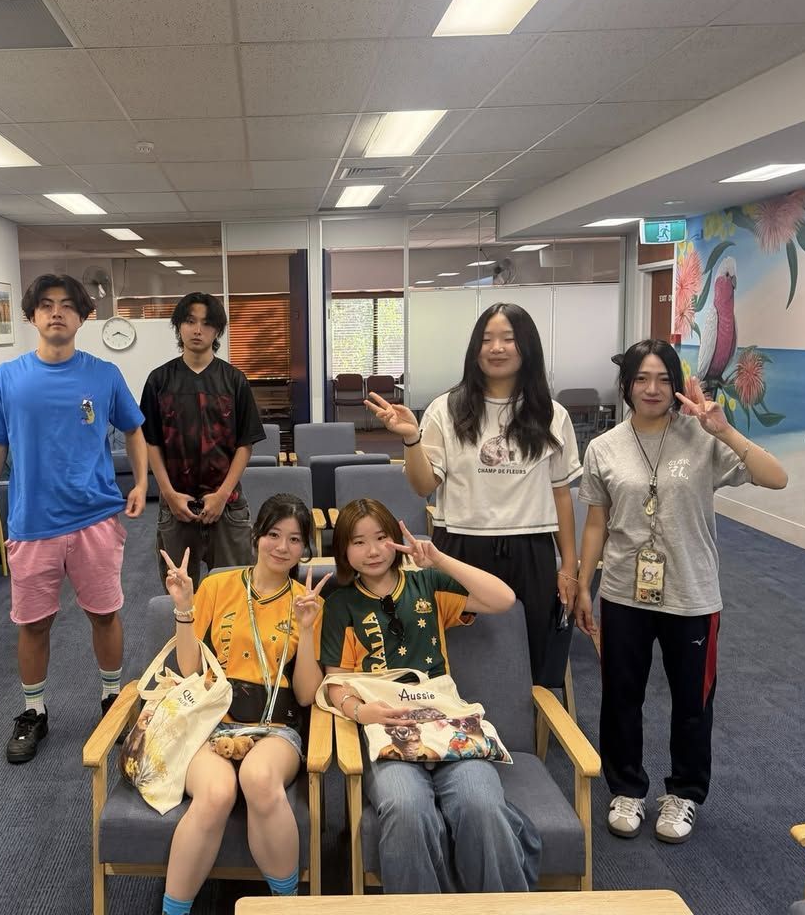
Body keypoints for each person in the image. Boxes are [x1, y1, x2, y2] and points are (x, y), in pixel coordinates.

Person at [570, 340, 787, 844]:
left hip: (692, 592)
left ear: (676, 385)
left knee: (693, 700)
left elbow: (776, 478)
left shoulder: (702, 438)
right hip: (623, 591)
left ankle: (684, 793)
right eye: (642, 378)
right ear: (626, 385)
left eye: (664, 379)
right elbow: (596, 522)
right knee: (621, 695)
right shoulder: (604, 447)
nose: (652, 389)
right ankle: (627, 788)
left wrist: (724, 429)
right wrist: (583, 584)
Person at [0, 274, 147, 765]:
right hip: (32, 522)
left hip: (94, 518)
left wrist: (141, 483)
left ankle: (112, 698)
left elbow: (134, 430)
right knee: (33, 623)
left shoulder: (104, 375)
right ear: (32, 316)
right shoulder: (7, 378)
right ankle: (33, 711)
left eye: (67, 305)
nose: (56, 313)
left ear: (83, 317)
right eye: (46, 305)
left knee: (104, 614)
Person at [319, 498, 541, 894]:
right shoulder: (340, 604)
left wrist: (439, 560)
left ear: (395, 538)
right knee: (405, 807)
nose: (373, 551)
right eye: (358, 542)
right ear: (343, 550)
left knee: (481, 803)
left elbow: (504, 599)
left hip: (444, 720)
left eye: (381, 538)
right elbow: (334, 682)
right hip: (385, 727)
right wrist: (360, 711)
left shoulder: (428, 584)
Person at [367, 302, 582, 685]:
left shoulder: (552, 414)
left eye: (508, 339)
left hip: (530, 548)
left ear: (527, 346)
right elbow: (423, 486)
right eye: (486, 339)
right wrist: (412, 439)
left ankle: (529, 717)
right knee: (456, 653)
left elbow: (561, 495)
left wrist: (568, 566)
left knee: (530, 654)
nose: (496, 348)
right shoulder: (446, 409)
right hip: (461, 545)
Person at [159, 494, 330, 915]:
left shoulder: (308, 602)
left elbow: (306, 695)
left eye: (295, 539)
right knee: (215, 792)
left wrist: (307, 629)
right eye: (274, 534)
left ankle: (286, 907)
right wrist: (184, 608)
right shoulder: (218, 586)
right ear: (255, 536)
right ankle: (174, 911)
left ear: (305, 548)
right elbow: (189, 668)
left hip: (275, 727)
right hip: (212, 722)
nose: (282, 547)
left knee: (258, 777)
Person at [141, 291, 265, 585]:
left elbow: (245, 444)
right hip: (176, 506)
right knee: (181, 595)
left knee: (234, 591)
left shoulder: (234, 380)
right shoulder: (159, 380)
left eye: (207, 323)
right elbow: (151, 442)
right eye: (190, 321)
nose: (197, 330)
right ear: (178, 326)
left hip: (227, 506)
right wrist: (168, 494)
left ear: (218, 330)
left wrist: (222, 495)